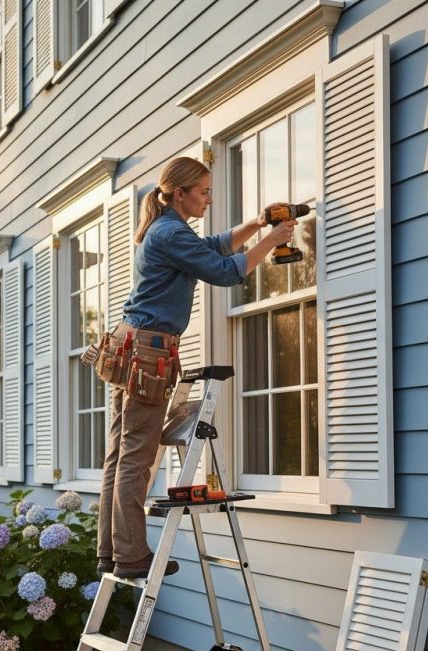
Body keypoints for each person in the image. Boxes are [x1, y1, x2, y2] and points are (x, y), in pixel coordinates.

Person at [97, 156, 298, 579]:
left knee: (120, 455)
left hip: (132, 346)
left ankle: (110, 550)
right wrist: (275, 238)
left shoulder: (168, 230)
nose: (209, 199)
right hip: (148, 352)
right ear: (179, 193)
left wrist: (258, 223)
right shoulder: (170, 233)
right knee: (136, 456)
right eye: (203, 192)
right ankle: (132, 556)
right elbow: (226, 271)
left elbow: (217, 246)